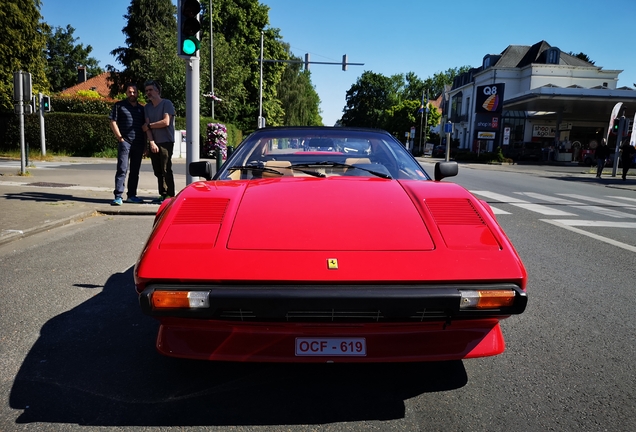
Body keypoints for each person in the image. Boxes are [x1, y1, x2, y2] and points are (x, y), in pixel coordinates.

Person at [108, 83, 146, 205]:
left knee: (135, 171)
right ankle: (118, 196)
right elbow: (113, 121)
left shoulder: (142, 109)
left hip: (138, 143)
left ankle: (132, 195)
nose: (132, 94)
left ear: (137, 93)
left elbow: (144, 128)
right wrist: (120, 138)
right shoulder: (119, 106)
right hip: (125, 143)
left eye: (134, 92)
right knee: (122, 169)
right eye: (130, 92)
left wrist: (145, 145)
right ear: (126, 93)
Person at [142, 80, 176, 204]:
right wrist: (151, 142)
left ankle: (170, 194)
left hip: (166, 141)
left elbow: (166, 122)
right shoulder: (147, 107)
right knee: (157, 170)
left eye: (150, 90)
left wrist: (150, 125)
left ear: (157, 90)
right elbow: (146, 127)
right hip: (155, 142)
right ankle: (162, 193)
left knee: (166, 168)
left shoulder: (167, 103)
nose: (148, 93)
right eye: (146, 91)